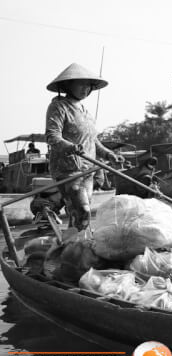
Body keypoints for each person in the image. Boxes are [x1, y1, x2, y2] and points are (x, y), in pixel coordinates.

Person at [45, 63, 124, 230]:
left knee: (78, 214)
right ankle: (75, 245)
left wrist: (110, 155)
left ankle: (73, 246)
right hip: (68, 170)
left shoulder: (86, 113)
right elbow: (52, 136)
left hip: (88, 171)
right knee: (83, 210)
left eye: (88, 85)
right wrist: (69, 147)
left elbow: (93, 141)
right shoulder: (59, 107)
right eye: (81, 84)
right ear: (68, 85)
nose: (85, 89)